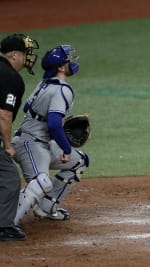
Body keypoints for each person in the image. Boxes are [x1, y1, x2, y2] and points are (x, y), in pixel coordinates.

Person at [13, 44, 89, 226]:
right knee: (42, 182)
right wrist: (66, 147)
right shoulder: (62, 90)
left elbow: (27, 108)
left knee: (79, 162)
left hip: (41, 143)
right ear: (61, 67)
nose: (72, 62)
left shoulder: (44, 83)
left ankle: (47, 208)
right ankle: (7, 221)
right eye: (69, 59)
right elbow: (54, 124)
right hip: (29, 144)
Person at [0, 33, 39, 241]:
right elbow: (4, 114)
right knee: (9, 178)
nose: (27, 57)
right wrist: (7, 144)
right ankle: (3, 227)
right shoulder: (10, 77)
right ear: (14, 55)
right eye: (25, 53)